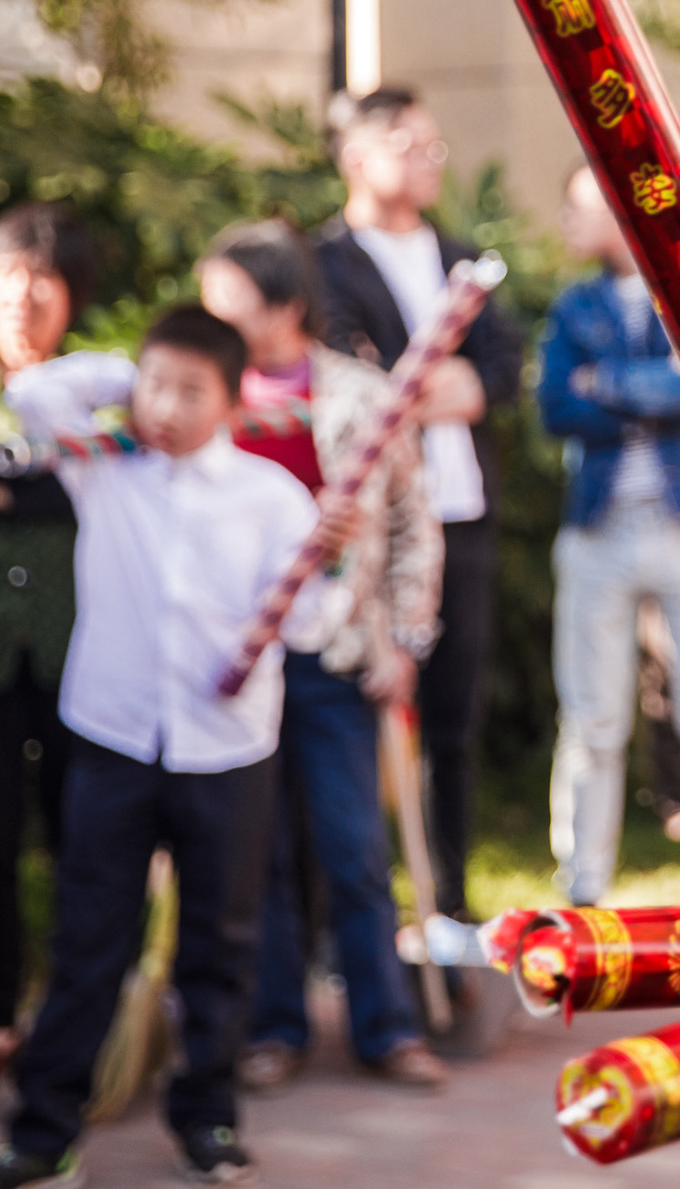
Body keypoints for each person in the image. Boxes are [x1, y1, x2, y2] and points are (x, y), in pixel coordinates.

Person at [0, 306, 335, 1189]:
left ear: (233, 399)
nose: (166, 406)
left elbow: (310, 628)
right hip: (113, 738)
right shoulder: (105, 470)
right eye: (155, 385)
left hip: (227, 750)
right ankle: (44, 1132)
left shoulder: (272, 497)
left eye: (189, 390)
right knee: (90, 938)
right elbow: (33, 391)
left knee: (220, 943)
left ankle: (207, 1116)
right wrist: (124, 381)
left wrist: (328, 568)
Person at [197, 223, 448, 1094]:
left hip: (339, 650)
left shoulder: (359, 394)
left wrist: (407, 639)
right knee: (256, 851)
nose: (212, 317)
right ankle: (274, 1026)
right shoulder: (205, 398)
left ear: (284, 305)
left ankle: (387, 1027)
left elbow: (417, 523)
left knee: (353, 847)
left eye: (228, 301)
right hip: (238, 657)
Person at [314, 87, 522, 923]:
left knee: (452, 718)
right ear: (359, 157)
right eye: (412, 144)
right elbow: (354, 372)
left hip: (461, 512)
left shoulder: (462, 255)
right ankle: (352, 912)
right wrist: (427, 384)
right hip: (376, 522)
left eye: (436, 146)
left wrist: (457, 383)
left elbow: (500, 364)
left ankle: (450, 898)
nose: (430, 160)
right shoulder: (327, 260)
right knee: (358, 713)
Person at [537, 166, 680, 906]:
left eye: (579, 205)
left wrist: (612, 384)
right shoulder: (574, 305)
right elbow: (557, 406)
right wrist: (657, 385)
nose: (568, 220)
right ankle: (584, 881)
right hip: (601, 527)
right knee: (592, 716)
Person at [0, 205, 95, 1081]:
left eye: (46, 278)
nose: (24, 296)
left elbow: (72, 489)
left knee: (81, 839)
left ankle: (74, 1013)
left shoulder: (96, 383)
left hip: (76, 650)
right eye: (9, 275)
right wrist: (28, 480)